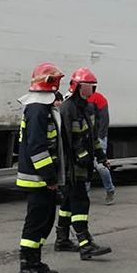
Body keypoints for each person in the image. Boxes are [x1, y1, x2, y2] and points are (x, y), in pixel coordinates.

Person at [53, 68, 113, 259]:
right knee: (80, 202)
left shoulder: (87, 108)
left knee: (69, 202)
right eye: (88, 86)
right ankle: (85, 244)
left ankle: (62, 240)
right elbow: (67, 142)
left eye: (92, 87)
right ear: (78, 86)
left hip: (83, 164)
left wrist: (101, 156)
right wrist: (81, 156)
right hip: (72, 167)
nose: (91, 90)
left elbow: (92, 137)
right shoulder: (67, 109)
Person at [15, 62, 64, 273]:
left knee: (45, 221)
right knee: (35, 223)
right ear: (50, 82)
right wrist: (50, 178)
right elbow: (37, 148)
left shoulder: (42, 107)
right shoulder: (37, 109)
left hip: (44, 179)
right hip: (38, 179)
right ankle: (26, 268)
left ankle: (35, 262)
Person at [87, 90, 115, 205]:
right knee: (86, 165)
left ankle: (110, 190)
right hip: (85, 138)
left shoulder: (98, 98)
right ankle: (85, 196)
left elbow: (104, 119)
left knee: (101, 167)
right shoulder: (77, 100)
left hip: (98, 137)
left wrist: (100, 137)